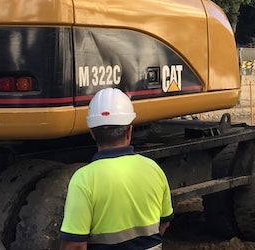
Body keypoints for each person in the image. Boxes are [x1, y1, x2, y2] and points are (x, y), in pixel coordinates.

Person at [60, 88, 173, 250]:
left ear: (92, 133)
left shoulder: (84, 179)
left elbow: (75, 245)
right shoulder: (153, 169)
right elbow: (165, 222)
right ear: (129, 130)